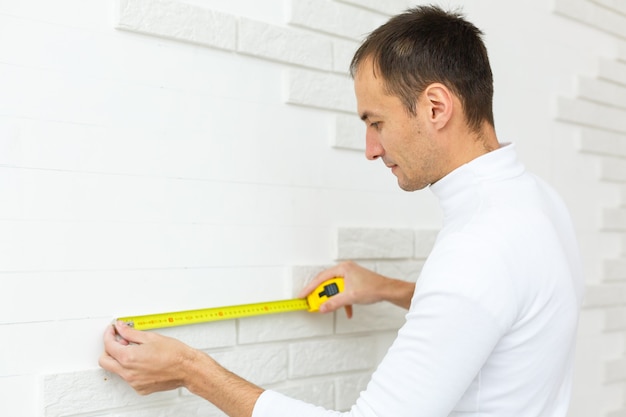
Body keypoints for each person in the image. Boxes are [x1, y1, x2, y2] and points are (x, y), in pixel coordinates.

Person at [100, 5, 584, 417]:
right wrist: (386, 288)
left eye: (376, 122)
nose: (371, 148)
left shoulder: (479, 246)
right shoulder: (537, 200)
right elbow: (491, 313)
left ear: (436, 107)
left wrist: (193, 371)